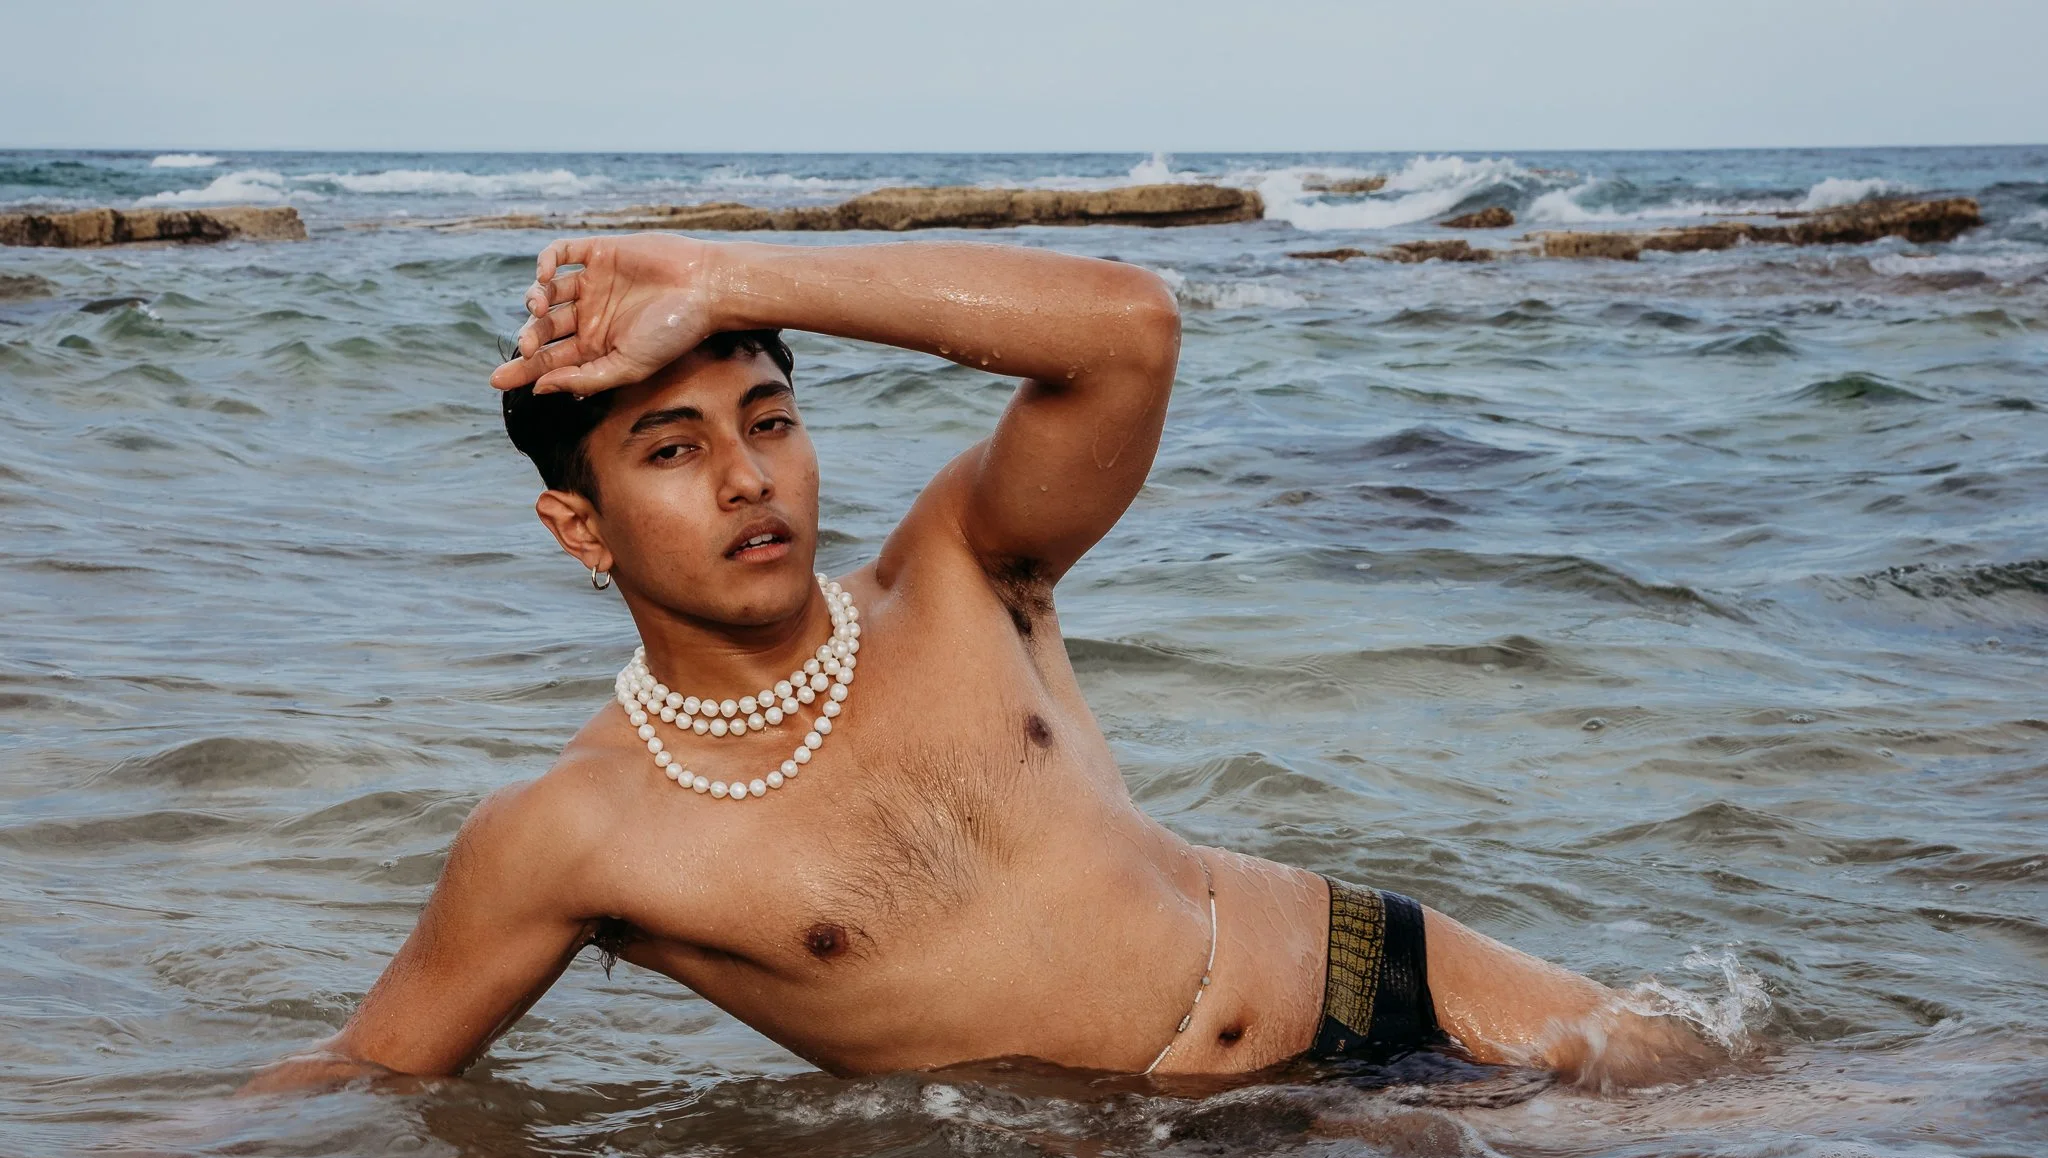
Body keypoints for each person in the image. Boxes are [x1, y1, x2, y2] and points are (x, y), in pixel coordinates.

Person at [250, 235, 1711, 1094]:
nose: (750, 479)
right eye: (675, 451)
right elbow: (365, 1076)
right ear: (581, 527)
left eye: (770, 420)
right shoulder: (575, 832)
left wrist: (729, 274)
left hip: (1379, 976)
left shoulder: (954, 571)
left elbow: (1128, 334)